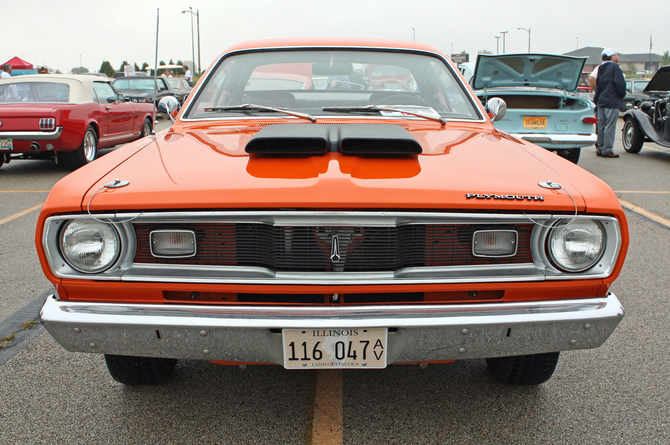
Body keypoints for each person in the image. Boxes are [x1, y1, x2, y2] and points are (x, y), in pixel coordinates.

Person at [593, 48, 626, 158]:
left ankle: (600, 148)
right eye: (616, 54)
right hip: (612, 101)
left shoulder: (601, 67)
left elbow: (598, 85)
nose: (618, 56)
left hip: (601, 101)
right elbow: (620, 84)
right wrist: (621, 95)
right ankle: (607, 150)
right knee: (610, 126)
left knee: (601, 126)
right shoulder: (614, 67)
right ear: (611, 56)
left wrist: (596, 100)